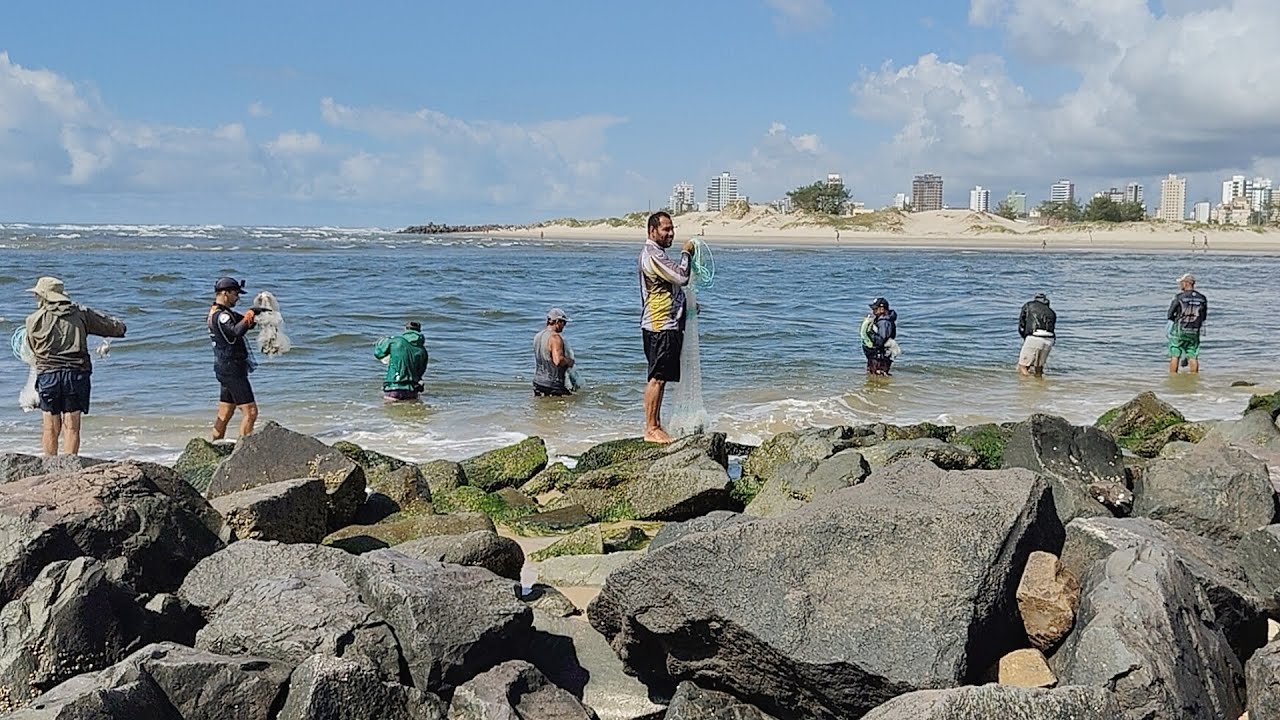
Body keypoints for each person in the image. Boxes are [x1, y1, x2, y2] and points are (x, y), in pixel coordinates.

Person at [23, 277, 126, 456]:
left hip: (48, 375)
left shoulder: (32, 320)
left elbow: (32, 349)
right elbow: (113, 327)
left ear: (43, 297)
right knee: (72, 426)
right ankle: (69, 467)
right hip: (76, 375)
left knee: (50, 427)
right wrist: (120, 327)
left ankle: (50, 466)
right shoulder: (80, 313)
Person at [639, 211, 695, 442]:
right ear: (653, 231)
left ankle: (656, 425)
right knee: (657, 377)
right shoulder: (653, 254)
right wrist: (686, 252)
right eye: (666, 229)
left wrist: (688, 304)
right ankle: (651, 428)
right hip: (660, 324)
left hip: (664, 323)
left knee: (660, 376)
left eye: (672, 229)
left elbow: (669, 287)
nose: (671, 233)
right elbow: (681, 276)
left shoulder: (657, 254)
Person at [208, 276, 270, 440]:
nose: (238, 297)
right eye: (236, 294)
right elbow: (236, 331)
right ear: (225, 293)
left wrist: (255, 313)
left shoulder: (218, 312)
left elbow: (242, 323)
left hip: (225, 368)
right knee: (250, 412)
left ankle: (216, 446)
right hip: (232, 369)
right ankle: (244, 451)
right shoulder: (221, 316)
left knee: (226, 412)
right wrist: (249, 314)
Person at [375, 321, 429, 401]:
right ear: (419, 331)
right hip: (412, 390)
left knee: (389, 412)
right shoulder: (423, 350)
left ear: (405, 330)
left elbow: (378, 353)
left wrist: (380, 343)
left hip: (393, 388)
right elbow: (420, 372)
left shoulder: (396, 341)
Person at [1167, 273, 1207, 374]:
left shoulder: (1179, 297)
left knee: (1175, 354)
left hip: (1180, 329)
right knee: (1193, 356)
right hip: (1194, 330)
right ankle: (1194, 377)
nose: (1180, 285)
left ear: (1185, 283)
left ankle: (1173, 377)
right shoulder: (1202, 298)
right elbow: (1204, 316)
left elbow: (1170, 314)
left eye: (1181, 283)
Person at [532, 308, 574, 397]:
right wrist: (569, 361)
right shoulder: (555, 338)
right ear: (558, 322)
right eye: (564, 323)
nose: (564, 326)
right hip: (553, 385)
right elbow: (558, 361)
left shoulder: (538, 336)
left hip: (538, 382)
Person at [1017, 292, 1057, 376]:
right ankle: (1039, 386)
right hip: (1049, 339)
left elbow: (1021, 324)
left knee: (1023, 367)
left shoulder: (1028, 305)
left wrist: (1025, 337)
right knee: (1039, 368)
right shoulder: (1051, 312)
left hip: (1035, 336)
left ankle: (1028, 386)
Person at [860, 297, 898, 376]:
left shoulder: (884, 322)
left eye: (875, 309)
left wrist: (869, 333)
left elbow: (881, 340)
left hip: (880, 356)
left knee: (878, 377)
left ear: (882, 309)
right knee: (875, 378)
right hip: (879, 355)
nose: (873, 311)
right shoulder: (881, 320)